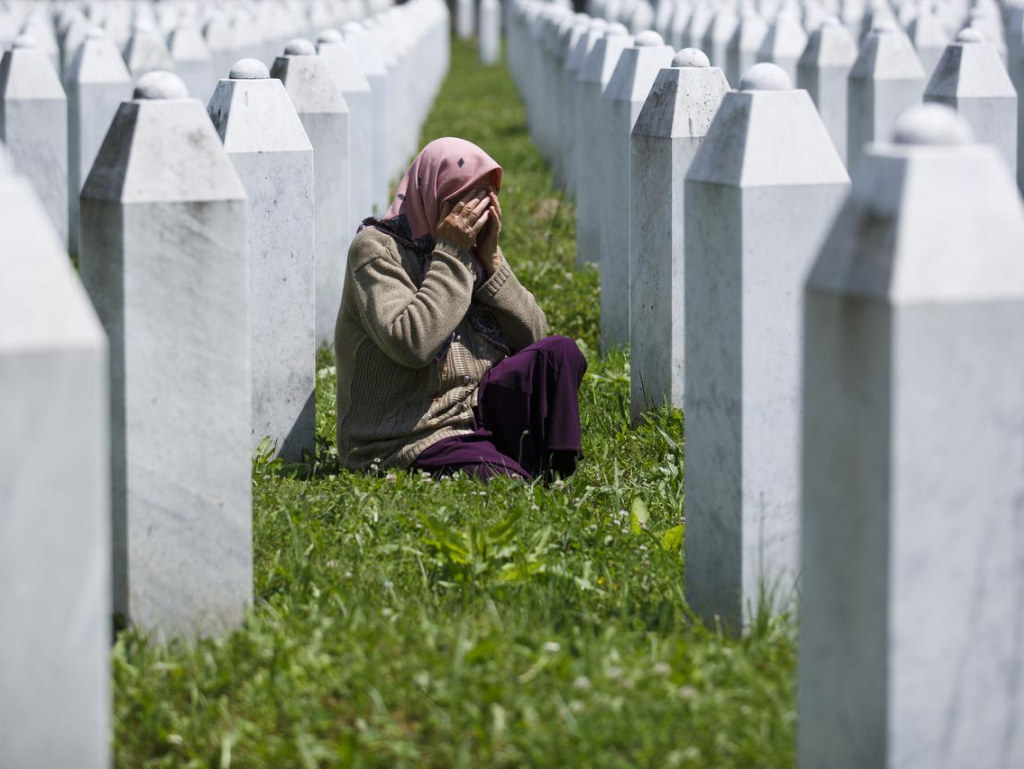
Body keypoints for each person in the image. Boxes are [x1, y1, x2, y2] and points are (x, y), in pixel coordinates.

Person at [333, 137, 587, 481]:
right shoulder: (376, 251)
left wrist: (492, 262)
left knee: (559, 352)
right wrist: (450, 252)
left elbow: (532, 337)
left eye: (487, 201)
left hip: (470, 409)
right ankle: (516, 470)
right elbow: (414, 343)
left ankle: (553, 472)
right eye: (465, 203)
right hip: (410, 433)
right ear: (433, 194)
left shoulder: (473, 249)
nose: (475, 215)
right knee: (508, 485)